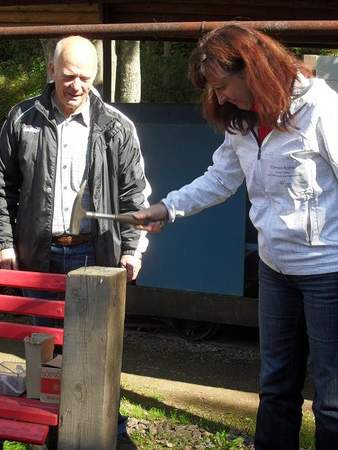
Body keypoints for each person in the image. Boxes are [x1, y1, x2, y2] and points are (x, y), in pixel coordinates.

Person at [133, 24, 338, 450]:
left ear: (254, 69)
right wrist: (167, 208)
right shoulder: (240, 122)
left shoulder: (320, 109)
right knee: (276, 387)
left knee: (332, 399)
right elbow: (221, 179)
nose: (220, 97)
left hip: (328, 273)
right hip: (275, 269)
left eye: (223, 86)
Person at [0, 35, 150, 438]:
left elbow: (135, 195)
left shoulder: (116, 127)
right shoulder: (22, 119)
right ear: (52, 70)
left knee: (95, 355)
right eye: (68, 75)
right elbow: (1, 184)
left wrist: (132, 249)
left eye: (85, 77)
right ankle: (47, 434)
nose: (76, 85)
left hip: (95, 257)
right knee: (43, 351)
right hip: (38, 255)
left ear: (95, 76)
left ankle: (109, 434)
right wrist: (4, 242)